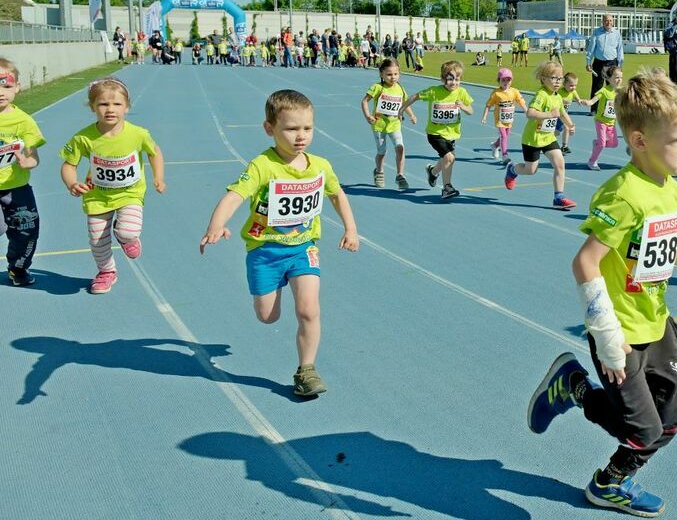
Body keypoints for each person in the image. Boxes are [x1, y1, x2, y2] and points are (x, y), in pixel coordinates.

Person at [526, 70, 677, 518]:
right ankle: (575, 387)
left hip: (656, 324)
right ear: (639, 140)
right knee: (641, 430)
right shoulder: (623, 196)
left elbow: (660, 250)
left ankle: (609, 482)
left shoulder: (670, 187)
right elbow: (585, 262)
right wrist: (605, 333)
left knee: (669, 424)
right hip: (619, 332)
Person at [199, 89, 359, 398]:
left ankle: (307, 370)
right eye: (291, 128)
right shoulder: (263, 166)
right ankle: (274, 288)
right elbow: (234, 196)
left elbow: (337, 195)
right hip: (265, 252)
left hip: (303, 249)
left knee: (309, 310)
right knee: (267, 316)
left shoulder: (320, 166)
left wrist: (351, 229)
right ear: (270, 129)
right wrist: (216, 225)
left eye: (307, 128)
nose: (301, 136)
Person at [59, 78, 165, 295]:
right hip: (97, 197)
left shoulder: (138, 134)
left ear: (127, 107)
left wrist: (159, 177)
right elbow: (68, 165)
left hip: (130, 193)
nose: (110, 109)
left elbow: (155, 152)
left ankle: (126, 237)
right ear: (92, 107)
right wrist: (72, 182)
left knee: (128, 231)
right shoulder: (83, 138)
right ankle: (106, 272)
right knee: (98, 241)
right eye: (103, 104)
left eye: (117, 104)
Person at [504, 61, 577, 210]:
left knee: (560, 164)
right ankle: (512, 170)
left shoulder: (557, 96)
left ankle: (559, 197)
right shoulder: (541, 95)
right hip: (533, 139)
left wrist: (570, 125)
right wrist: (549, 114)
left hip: (548, 138)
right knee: (531, 170)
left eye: (560, 78)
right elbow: (530, 113)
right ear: (543, 79)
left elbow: (562, 113)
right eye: (554, 78)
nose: (557, 82)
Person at [400, 60, 475, 199]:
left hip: (451, 134)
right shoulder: (434, 91)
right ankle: (447, 187)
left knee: (448, 159)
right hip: (434, 133)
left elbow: (471, 110)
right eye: (450, 79)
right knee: (449, 157)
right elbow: (415, 97)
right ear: (443, 79)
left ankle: (433, 172)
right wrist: (402, 109)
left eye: (457, 79)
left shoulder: (462, 92)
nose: (454, 83)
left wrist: (463, 107)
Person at [0, 59, 43, 286]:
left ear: (17, 86)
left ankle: (18, 269)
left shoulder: (24, 121)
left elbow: (33, 156)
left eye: (6, 86)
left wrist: (29, 162)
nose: (0, 92)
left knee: (27, 232)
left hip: (17, 188)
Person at [361, 58, 417, 190]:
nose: (393, 77)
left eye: (396, 74)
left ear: (399, 74)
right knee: (382, 152)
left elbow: (405, 103)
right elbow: (364, 101)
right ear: (381, 74)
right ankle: (379, 171)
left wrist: (412, 115)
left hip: (395, 124)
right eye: (389, 74)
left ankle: (400, 175)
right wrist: (368, 116)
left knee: (400, 147)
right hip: (379, 125)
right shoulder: (377, 87)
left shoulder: (400, 89)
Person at [482, 68, 528, 164]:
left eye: (508, 80)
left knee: (505, 136)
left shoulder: (514, 92)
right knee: (504, 136)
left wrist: (526, 111)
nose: (506, 82)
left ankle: (495, 145)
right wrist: (484, 117)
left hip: (509, 119)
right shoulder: (496, 93)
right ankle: (505, 155)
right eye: (503, 80)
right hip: (499, 120)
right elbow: (488, 105)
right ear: (499, 80)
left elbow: (521, 102)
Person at [588, 66, 624, 170]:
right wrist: (588, 102)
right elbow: (594, 99)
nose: (619, 80)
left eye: (621, 77)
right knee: (602, 144)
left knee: (614, 144)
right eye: (616, 77)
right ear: (608, 78)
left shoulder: (620, 91)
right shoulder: (604, 91)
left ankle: (597, 143)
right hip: (601, 121)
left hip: (611, 122)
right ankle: (592, 161)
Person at [586, 15, 623, 96]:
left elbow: (620, 50)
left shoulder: (617, 33)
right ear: (602, 22)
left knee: (612, 87)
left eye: (610, 20)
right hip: (598, 63)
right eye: (606, 20)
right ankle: (594, 108)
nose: (608, 22)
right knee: (596, 87)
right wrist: (588, 62)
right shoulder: (596, 32)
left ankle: (612, 107)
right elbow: (591, 48)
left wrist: (620, 66)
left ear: (613, 22)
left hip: (612, 64)